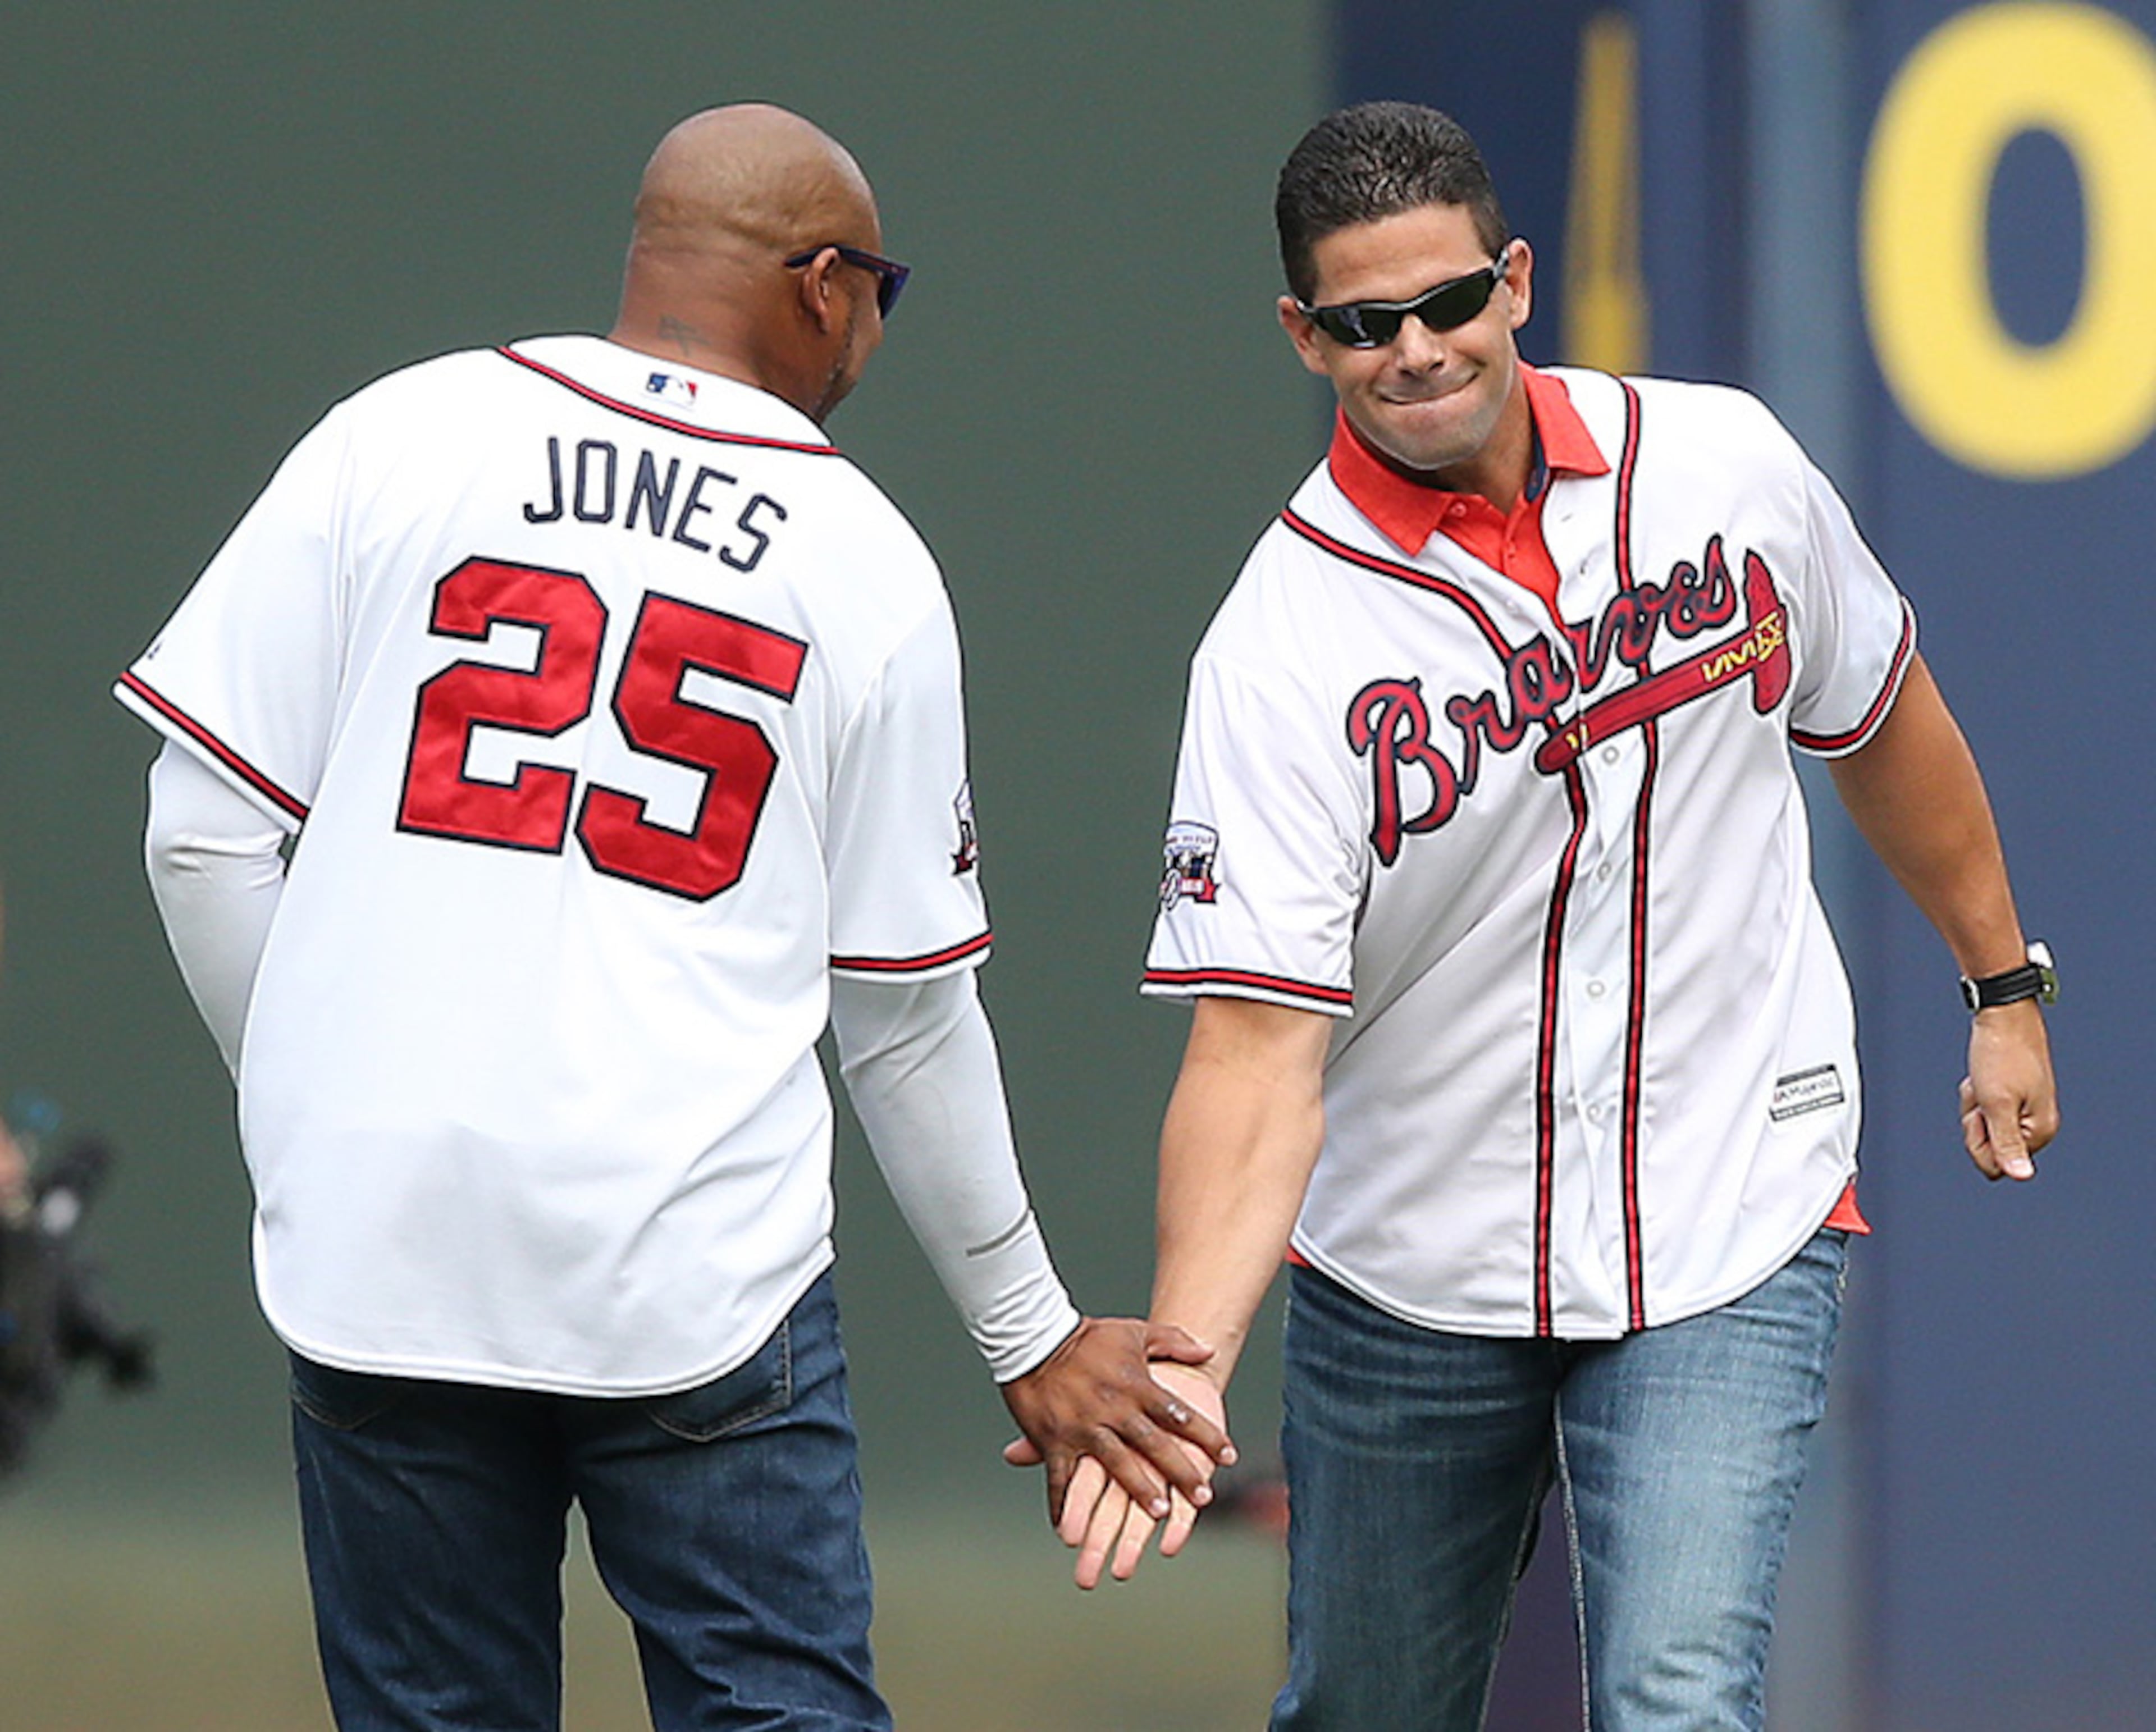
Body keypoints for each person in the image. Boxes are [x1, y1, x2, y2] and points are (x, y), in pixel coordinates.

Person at [117, 104, 1228, 1732]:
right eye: (878, 293)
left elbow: (201, 837)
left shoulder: (401, 432)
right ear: (824, 283)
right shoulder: (859, 554)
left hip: (385, 1247)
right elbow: (904, 1015)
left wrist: (310, 1106)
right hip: (695, 1272)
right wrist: (1032, 1333)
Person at [1064, 101, 2059, 1730]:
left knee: (1680, 1699)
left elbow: (1883, 715)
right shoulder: (1281, 642)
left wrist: (2001, 983)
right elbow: (1254, 1055)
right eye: (1367, 324)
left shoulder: (1722, 462)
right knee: (1369, 1711)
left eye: (1448, 301)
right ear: (1304, 337)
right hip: (1412, 1266)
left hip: (1729, 1205)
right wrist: (1190, 1350)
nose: (1419, 350)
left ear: (1515, 281)